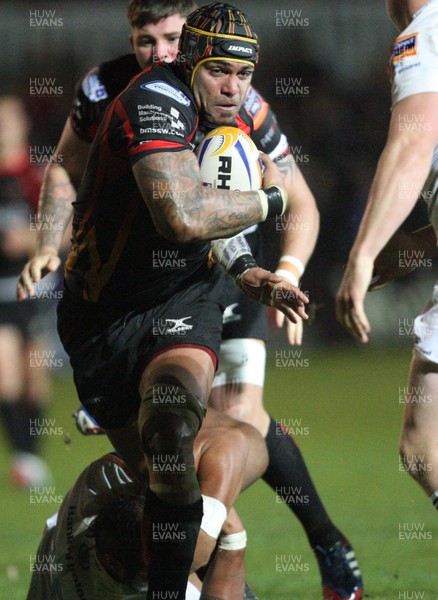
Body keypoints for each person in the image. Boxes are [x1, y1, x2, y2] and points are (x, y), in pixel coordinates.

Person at [17, 1, 362, 597]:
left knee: (174, 428)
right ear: (191, 60)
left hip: (190, 294)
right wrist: (269, 203)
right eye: (218, 72)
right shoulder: (138, 96)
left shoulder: (243, 113)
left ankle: (187, 583)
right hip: (104, 315)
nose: (233, 88)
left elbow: (243, 210)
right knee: (167, 475)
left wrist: (263, 270)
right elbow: (179, 215)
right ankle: (215, 560)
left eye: (244, 74)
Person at [336, 0, 438, 511]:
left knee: (426, 449)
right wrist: (419, 244)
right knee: (423, 449)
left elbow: (411, 145)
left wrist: (364, 251)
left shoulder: (425, 33)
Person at [26, 408, 268, 599]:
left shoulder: (100, 485)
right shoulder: (97, 487)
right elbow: (235, 441)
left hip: (62, 565)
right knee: (242, 444)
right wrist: (228, 533)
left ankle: (131, 413)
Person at [0, 95, 53, 487]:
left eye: (8, 119)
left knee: (36, 378)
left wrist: (30, 239)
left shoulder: (38, 176)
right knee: (6, 376)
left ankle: (32, 456)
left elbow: (64, 233)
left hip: (34, 289)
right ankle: (23, 458)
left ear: (23, 125)